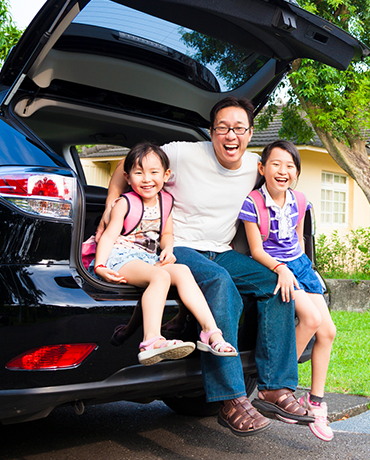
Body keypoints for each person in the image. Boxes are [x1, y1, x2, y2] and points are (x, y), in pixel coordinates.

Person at [96, 97, 314, 436]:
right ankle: (230, 400)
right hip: (177, 247)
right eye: (223, 128)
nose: (231, 136)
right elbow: (125, 171)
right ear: (211, 132)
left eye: (239, 129)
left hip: (221, 250)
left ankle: (275, 387)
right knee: (220, 282)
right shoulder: (182, 153)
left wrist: (288, 259)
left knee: (274, 283)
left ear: (250, 133)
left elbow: (279, 196)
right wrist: (110, 214)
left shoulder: (256, 166)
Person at [92, 141, 237, 366]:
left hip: (148, 257)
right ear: (128, 178)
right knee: (161, 276)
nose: (146, 179)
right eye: (138, 173)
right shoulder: (124, 203)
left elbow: (166, 234)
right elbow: (109, 236)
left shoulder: (166, 202)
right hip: (122, 257)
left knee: (182, 270)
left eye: (153, 172)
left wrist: (168, 249)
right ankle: (150, 341)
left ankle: (211, 333)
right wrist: (100, 266)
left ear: (166, 175)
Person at [239, 139, 336, 441]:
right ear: (262, 168)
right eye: (276, 164)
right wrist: (281, 270)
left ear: (296, 172)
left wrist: (308, 268)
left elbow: (298, 238)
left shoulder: (300, 200)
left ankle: (315, 401)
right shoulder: (253, 202)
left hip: (300, 266)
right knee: (310, 319)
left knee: (328, 331)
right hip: (274, 267)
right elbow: (256, 250)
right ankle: (274, 385)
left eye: (290, 166)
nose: (283, 171)